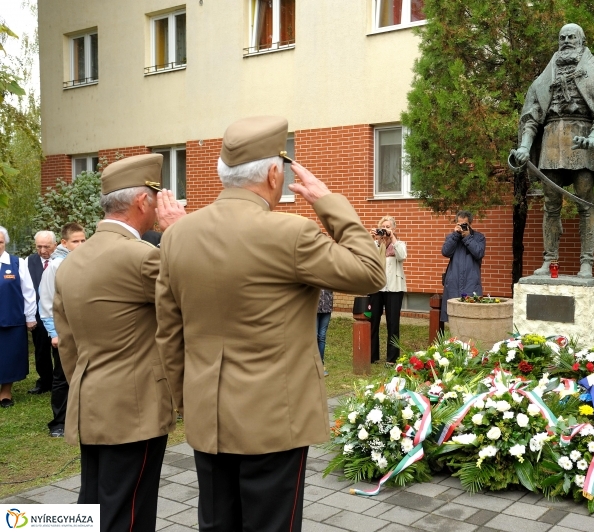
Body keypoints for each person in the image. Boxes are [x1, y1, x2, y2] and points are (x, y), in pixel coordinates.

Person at [155, 115, 385, 532]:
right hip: (275, 420)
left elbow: (169, 334)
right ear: (275, 172)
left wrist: (190, 404)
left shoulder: (177, 235)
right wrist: (328, 201)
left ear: (223, 174)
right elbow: (371, 272)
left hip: (210, 417)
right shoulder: (290, 233)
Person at [52, 153, 186, 531]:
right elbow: (193, 295)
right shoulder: (140, 256)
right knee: (128, 515)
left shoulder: (74, 261)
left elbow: (68, 345)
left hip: (90, 402)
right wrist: (180, 230)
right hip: (134, 409)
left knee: (92, 507)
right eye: (156, 197)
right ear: (143, 201)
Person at [512, 23, 594, 278]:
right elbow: (532, 117)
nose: (566, 40)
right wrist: (524, 147)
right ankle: (549, 261)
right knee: (550, 205)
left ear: (582, 41)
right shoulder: (544, 79)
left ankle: (587, 262)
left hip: (583, 144)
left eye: (572, 37)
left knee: (586, 204)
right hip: (551, 142)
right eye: (562, 37)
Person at [38, 222, 86, 437]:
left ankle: (81, 417)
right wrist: (54, 333)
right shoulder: (55, 266)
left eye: (84, 240)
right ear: (64, 243)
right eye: (76, 241)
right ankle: (59, 422)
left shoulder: (84, 262)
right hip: (63, 332)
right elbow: (47, 302)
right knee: (62, 376)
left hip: (84, 330)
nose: (81, 244)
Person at [0, 226, 37, 408]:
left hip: (11, 319)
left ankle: (5, 392)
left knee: (9, 356)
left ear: (4, 243)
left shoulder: (17, 263)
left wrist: (30, 316)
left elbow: (28, 291)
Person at [368, 216, 407, 365]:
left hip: (394, 288)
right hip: (377, 287)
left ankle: (392, 358)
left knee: (393, 323)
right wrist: (376, 240)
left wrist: (392, 237)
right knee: (373, 322)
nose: (384, 229)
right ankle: (372, 355)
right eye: (382, 226)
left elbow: (402, 256)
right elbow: (369, 258)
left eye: (387, 226)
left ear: (393, 229)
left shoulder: (399, 244)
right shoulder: (375, 245)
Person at [26, 230, 58, 395]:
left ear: (56, 245)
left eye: (47, 246)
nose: (43, 250)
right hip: (38, 314)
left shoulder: (61, 261)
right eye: (39, 246)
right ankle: (45, 381)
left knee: (59, 350)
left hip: (58, 313)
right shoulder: (28, 262)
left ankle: (60, 381)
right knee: (41, 350)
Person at [441, 211, 485, 323]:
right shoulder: (452, 237)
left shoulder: (479, 238)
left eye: (464, 224)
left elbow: (479, 253)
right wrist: (456, 235)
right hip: (454, 283)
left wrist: (467, 237)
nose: (462, 227)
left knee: (471, 317)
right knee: (453, 318)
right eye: (459, 224)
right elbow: (445, 252)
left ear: (470, 223)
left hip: (470, 283)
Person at [317, 288, 333, 376]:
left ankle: (321, 366)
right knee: (314, 336)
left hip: (327, 306)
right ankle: (313, 365)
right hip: (314, 307)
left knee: (322, 337)